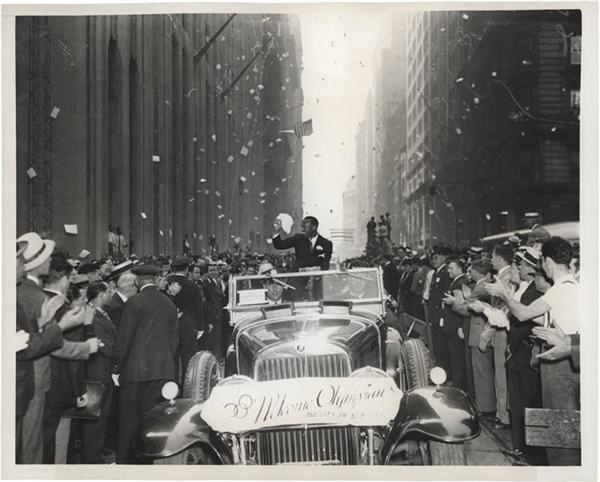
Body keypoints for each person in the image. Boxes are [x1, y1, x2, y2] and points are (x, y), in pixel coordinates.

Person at [485, 237, 580, 465]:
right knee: (567, 432)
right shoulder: (574, 287)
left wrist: (505, 295)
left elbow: (522, 314)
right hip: (573, 363)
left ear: (547, 262)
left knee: (558, 436)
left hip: (560, 369)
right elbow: (538, 315)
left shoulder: (559, 290)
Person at [17, 232, 96, 464]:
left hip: (32, 380)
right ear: (37, 263)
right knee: (32, 448)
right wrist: (85, 347)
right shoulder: (36, 297)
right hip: (33, 380)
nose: (51, 262)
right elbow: (48, 344)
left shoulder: (27, 293)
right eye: (48, 257)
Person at [114, 264, 179, 463]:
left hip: (135, 373)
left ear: (136, 281)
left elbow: (125, 338)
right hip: (162, 371)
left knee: (128, 423)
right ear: (155, 279)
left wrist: (116, 367)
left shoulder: (133, 303)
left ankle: (126, 464)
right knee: (153, 423)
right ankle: (148, 462)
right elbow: (175, 341)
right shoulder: (169, 303)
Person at [81, 281, 118, 463]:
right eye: (109, 292)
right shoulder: (94, 316)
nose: (112, 295)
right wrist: (120, 352)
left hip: (104, 370)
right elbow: (105, 345)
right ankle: (91, 457)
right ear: (101, 294)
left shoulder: (101, 313)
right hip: (98, 372)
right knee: (96, 417)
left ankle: (97, 452)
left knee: (102, 416)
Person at [166, 257, 206, 377]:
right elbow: (199, 308)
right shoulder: (192, 286)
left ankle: (172, 385)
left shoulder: (167, 283)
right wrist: (200, 327)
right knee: (188, 358)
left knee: (171, 357)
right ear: (187, 269)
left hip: (169, 326)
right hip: (188, 326)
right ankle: (186, 384)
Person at [441, 258, 468, 390]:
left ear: (459, 268)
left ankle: (458, 387)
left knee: (457, 358)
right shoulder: (456, 282)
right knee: (455, 357)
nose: (449, 271)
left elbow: (462, 308)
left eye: (451, 268)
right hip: (451, 326)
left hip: (455, 328)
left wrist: (460, 327)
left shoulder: (460, 284)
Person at [426, 246, 451, 373]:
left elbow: (445, 296)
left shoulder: (445, 274)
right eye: (433, 257)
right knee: (437, 346)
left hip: (440, 315)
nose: (434, 260)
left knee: (442, 347)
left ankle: (444, 373)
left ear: (443, 257)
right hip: (434, 315)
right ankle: (440, 372)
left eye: (436, 257)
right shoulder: (436, 272)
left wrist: (442, 316)